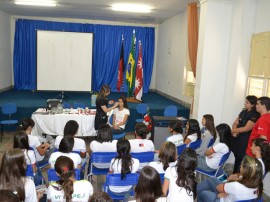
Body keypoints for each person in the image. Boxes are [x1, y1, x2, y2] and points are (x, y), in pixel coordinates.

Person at [197, 156, 263, 202]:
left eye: (241, 166)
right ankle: (195, 189)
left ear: (245, 170)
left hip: (221, 199)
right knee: (212, 179)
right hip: (230, 195)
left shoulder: (236, 186)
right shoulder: (258, 184)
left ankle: (195, 192)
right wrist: (228, 192)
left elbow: (218, 188)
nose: (240, 166)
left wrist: (229, 184)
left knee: (202, 193)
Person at [231, 95, 260, 173]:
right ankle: (234, 174)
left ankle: (238, 176)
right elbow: (235, 122)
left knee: (241, 158)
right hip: (237, 137)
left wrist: (234, 130)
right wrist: (234, 131)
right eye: (245, 102)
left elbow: (246, 128)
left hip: (245, 138)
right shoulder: (243, 111)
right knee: (237, 157)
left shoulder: (255, 114)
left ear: (252, 104)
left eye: (247, 102)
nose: (245, 104)